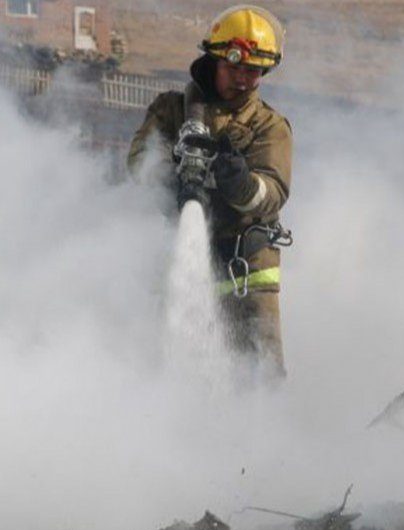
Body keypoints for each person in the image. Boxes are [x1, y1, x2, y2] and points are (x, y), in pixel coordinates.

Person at [128, 5, 293, 385]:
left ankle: (264, 438)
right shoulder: (172, 110)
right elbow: (139, 161)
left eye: (253, 71)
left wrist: (243, 185)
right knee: (164, 359)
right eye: (234, 68)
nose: (243, 79)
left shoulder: (269, 126)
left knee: (258, 372)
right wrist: (170, 179)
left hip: (246, 269)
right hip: (175, 255)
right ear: (214, 59)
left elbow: (274, 191)